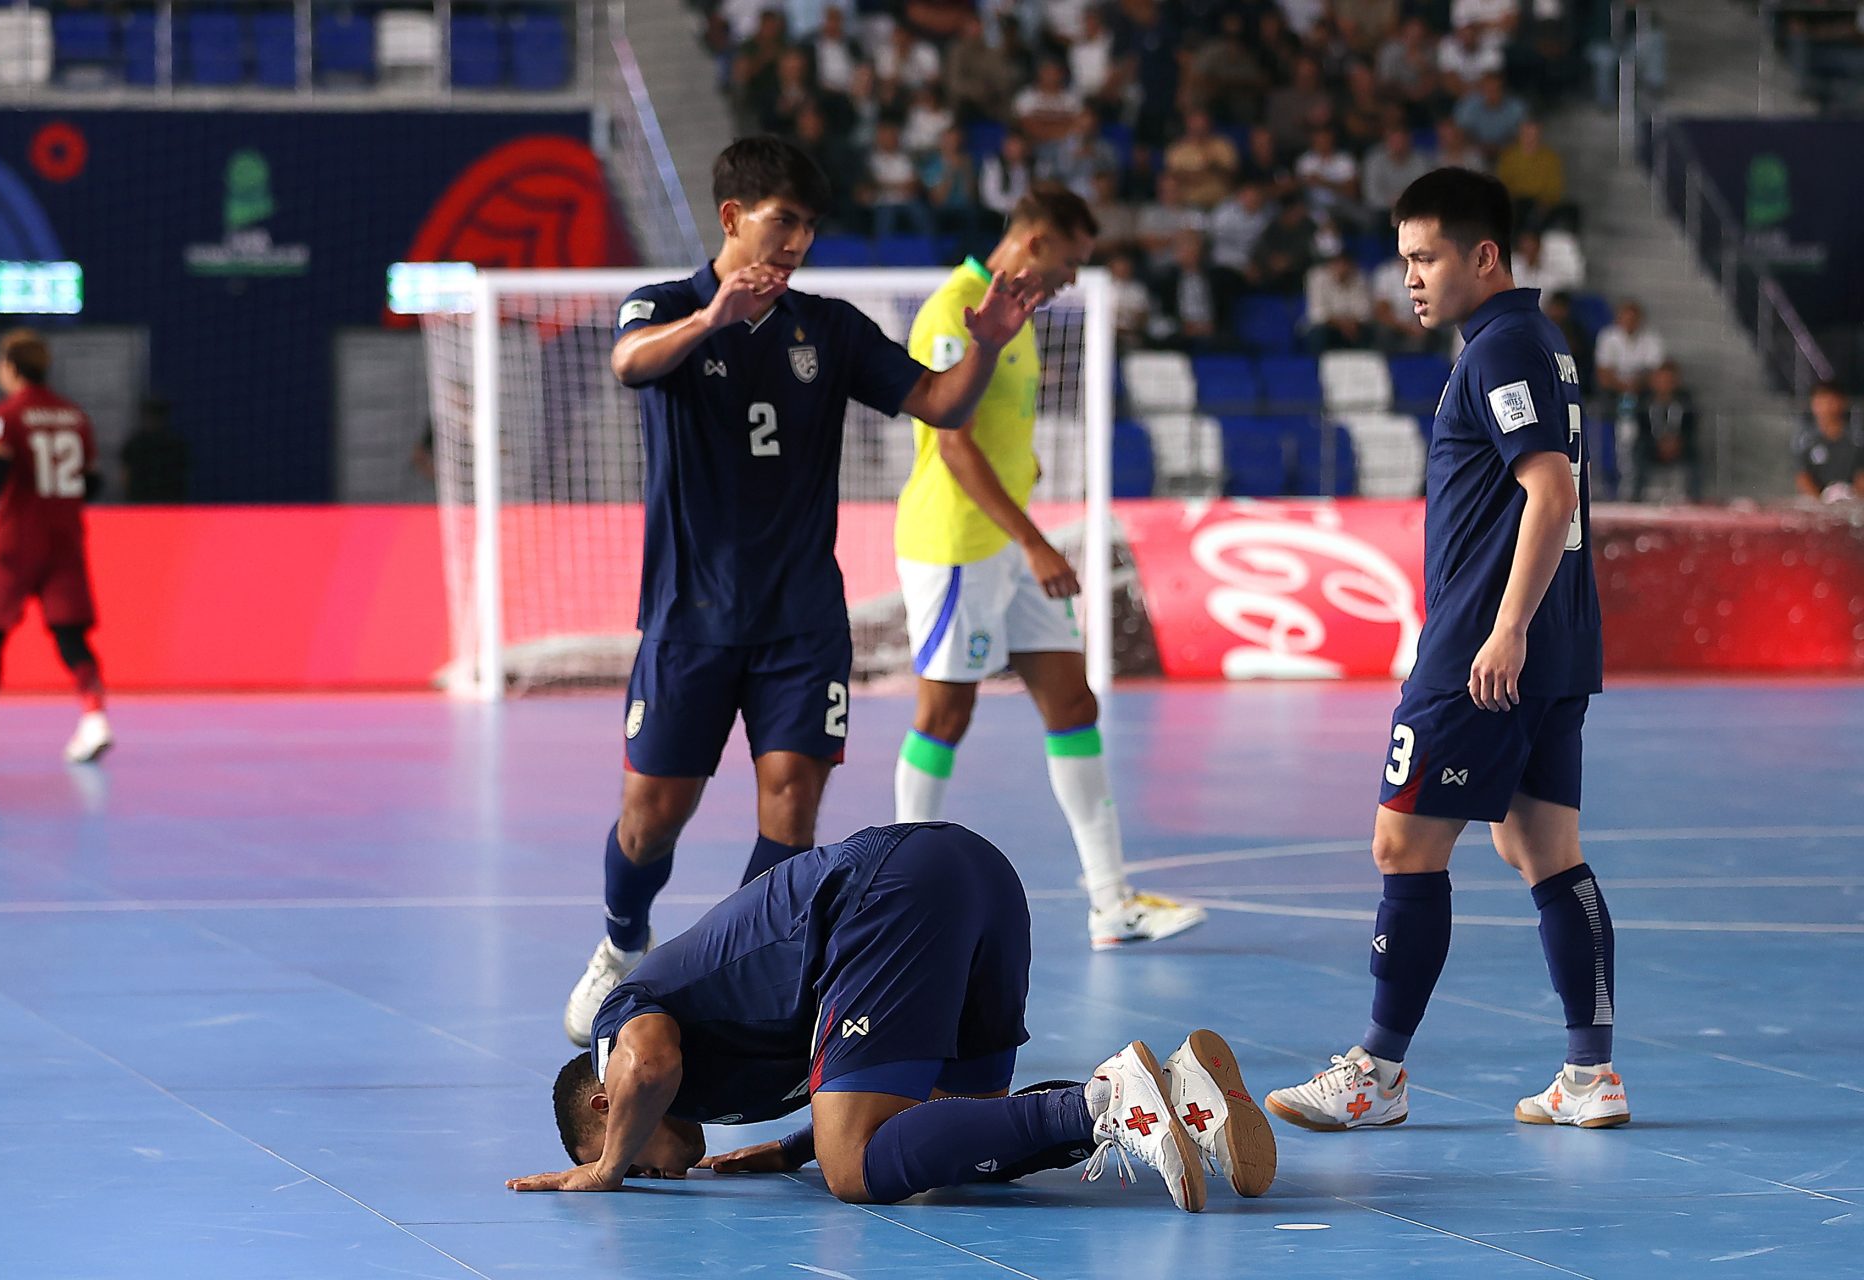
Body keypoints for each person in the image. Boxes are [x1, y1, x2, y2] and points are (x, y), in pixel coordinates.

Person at [561, 138, 1041, 1048]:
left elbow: (940, 403)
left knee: (791, 803)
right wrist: (712, 319)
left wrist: (981, 351)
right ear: (734, 217)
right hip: (689, 619)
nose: (797, 242)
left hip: (802, 622)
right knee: (651, 816)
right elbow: (630, 365)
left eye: (810, 227)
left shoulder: (830, 328)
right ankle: (624, 945)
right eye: (784, 221)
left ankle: (723, 983)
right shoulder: (662, 306)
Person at [1263, 169, 1625, 1133]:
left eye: (1424, 258)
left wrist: (1501, 629)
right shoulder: (1537, 343)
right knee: (1543, 848)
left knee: (1402, 844)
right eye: (1404, 259)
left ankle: (1376, 1075)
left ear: (1484, 257)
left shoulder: (1502, 348)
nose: (1409, 279)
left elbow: (1550, 492)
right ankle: (1591, 1076)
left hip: (1483, 649)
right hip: (1558, 644)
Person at [512, 822, 1278, 1209]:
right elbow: (884, 1092)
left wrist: (606, 1170)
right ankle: (1176, 1095)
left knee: (856, 1172)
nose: (657, 1170)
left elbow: (647, 1063)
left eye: (635, 1153)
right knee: (954, 1141)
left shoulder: (623, 1025)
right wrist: (794, 1148)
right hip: (974, 876)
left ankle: (1108, 1101)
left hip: (888, 893)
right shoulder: (726, 1083)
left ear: (606, 1104)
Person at [891, 185, 1206, 950]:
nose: (1074, 275)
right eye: (1070, 259)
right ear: (1033, 243)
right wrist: (1036, 540)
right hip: (957, 544)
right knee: (945, 716)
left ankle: (1112, 903)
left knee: (1073, 703)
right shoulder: (953, 309)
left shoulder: (1023, 320)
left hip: (1014, 541)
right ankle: (893, 896)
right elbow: (954, 443)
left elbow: (1001, 435)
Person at [0, 330, 112, 765]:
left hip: (19, 542)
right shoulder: (75, 415)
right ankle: (95, 718)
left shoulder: (3, 414)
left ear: (11, 367)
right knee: (69, 632)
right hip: (66, 538)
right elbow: (90, 482)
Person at [1627, 360, 1701, 502]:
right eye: (1661, 380)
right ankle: (1636, 497)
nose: (1664, 384)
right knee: (1639, 449)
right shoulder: (1644, 401)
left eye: (1668, 380)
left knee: (1694, 454)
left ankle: (1695, 498)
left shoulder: (1686, 400)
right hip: (1652, 445)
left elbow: (1691, 427)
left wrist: (1676, 442)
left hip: (1679, 445)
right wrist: (1659, 444)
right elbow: (1642, 428)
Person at [1794, 381, 1864, 502]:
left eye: (1830, 400)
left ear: (1842, 402)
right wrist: (1821, 501)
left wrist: (1850, 497)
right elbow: (1803, 478)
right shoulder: (1805, 442)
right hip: (1818, 505)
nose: (1826, 406)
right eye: (1820, 401)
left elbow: (1861, 477)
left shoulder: (1857, 441)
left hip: (1851, 504)